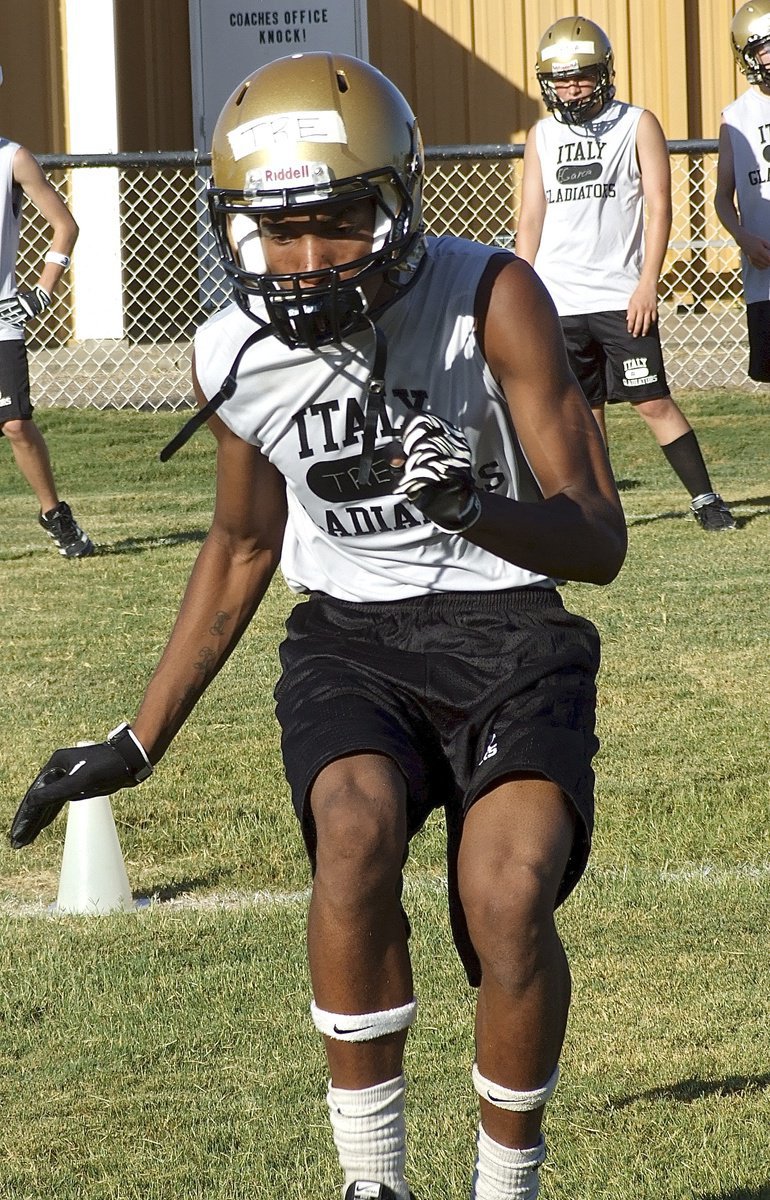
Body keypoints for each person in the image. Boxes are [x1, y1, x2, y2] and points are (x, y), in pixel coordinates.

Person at [9, 53, 627, 1200]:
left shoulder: (491, 294)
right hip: (350, 635)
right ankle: (371, 1180)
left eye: (335, 220)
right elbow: (242, 547)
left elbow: (596, 537)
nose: (302, 259)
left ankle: (507, 1184)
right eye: (274, 229)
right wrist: (138, 742)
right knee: (350, 832)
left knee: (506, 896)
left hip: (507, 631)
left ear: (398, 200)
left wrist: (472, 506)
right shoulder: (232, 349)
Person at [516, 15, 737, 533]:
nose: (571, 87)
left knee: (652, 399)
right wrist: (524, 288)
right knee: (586, 410)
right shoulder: (542, 135)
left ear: (605, 72)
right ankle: (602, 508)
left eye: (583, 75)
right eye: (562, 77)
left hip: (620, 293)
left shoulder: (636, 122)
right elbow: (531, 218)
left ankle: (706, 498)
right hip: (558, 297)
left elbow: (660, 206)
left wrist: (647, 284)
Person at [0, 91, 93, 558]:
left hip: (0, 318)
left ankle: (54, 515)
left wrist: (43, 288)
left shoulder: (12, 158)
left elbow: (65, 225)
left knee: (15, 423)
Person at [715, 0, 770, 384]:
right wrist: (744, 238)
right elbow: (722, 197)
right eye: (763, 47)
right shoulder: (736, 116)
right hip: (764, 272)